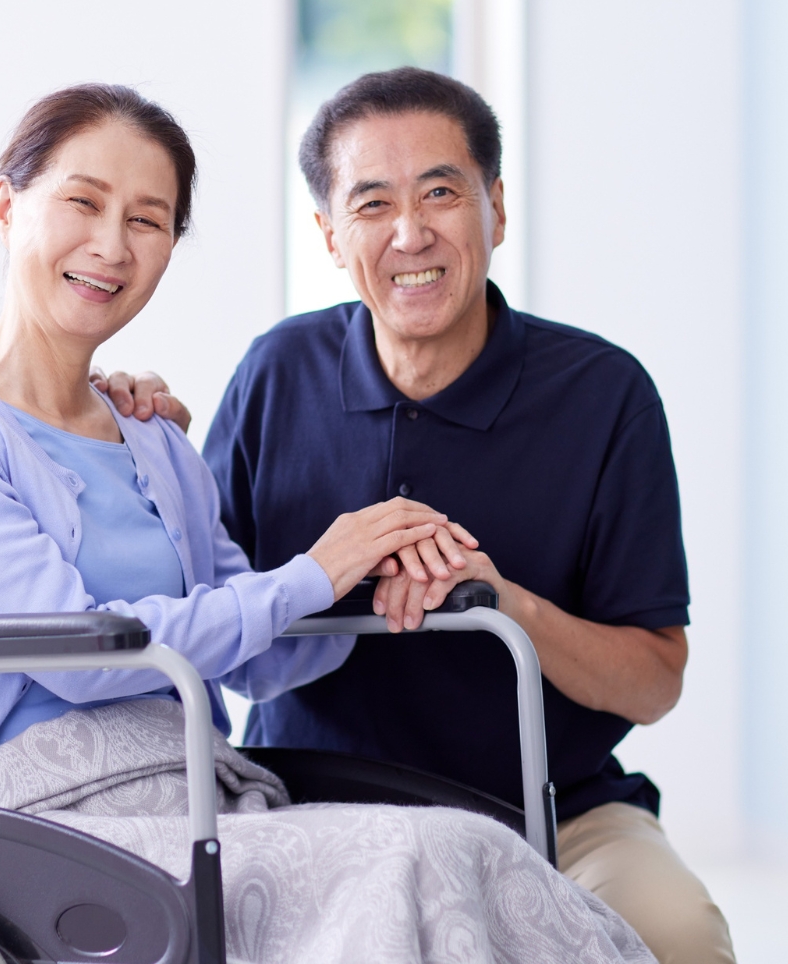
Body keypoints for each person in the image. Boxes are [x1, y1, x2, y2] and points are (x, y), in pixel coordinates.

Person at [0, 83, 655, 964]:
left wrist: (374, 573)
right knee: (419, 856)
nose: (111, 245)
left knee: (468, 849)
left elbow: (264, 654)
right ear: (9, 205)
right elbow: (75, 655)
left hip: (185, 786)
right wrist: (317, 568)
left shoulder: (154, 439)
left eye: (149, 220)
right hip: (20, 816)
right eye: (84, 202)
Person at [106, 68, 735, 964]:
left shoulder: (605, 395)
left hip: (556, 811)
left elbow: (654, 680)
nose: (412, 233)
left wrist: (502, 603)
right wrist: (128, 430)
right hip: (314, 804)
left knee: (680, 937)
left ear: (497, 210)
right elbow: (211, 630)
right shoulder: (276, 374)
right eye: (372, 204)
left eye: (442, 192)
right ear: (329, 234)